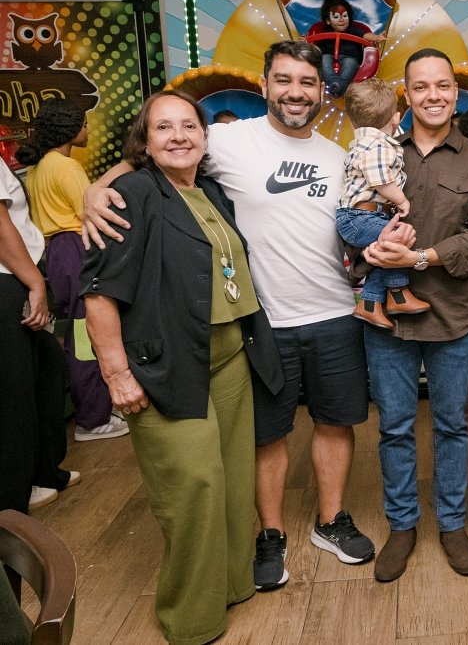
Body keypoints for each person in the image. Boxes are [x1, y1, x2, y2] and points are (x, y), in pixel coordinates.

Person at [82, 40, 376, 593]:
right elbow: (153, 154)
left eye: (307, 82)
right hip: (262, 321)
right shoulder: (225, 140)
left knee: (336, 422)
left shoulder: (339, 156)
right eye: (284, 80)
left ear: (322, 90)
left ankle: (331, 520)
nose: (295, 92)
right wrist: (95, 192)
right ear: (263, 86)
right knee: (267, 434)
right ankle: (270, 534)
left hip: (336, 313)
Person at [80, 91, 283, 644]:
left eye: (188, 125)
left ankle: (233, 585)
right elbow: (98, 292)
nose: (178, 136)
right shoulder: (131, 194)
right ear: (144, 141)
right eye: (163, 127)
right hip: (165, 366)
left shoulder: (210, 190)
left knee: (232, 484)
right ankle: (192, 621)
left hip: (230, 357)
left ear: (204, 135)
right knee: (193, 489)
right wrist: (116, 374)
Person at [360, 48, 468, 582]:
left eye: (442, 85)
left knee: (451, 425)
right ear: (407, 93)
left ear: (455, 92)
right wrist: (365, 248)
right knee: (395, 427)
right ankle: (402, 526)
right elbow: (349, 210)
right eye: (421, 87)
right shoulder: (376, 150)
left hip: (453, 314)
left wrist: (419, 259)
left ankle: (452, 523)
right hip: (386, 319)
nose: (433, 96)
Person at [16, 99, 127, 442]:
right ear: (69, 129)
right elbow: (92, 212)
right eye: (84, 124)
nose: (88, 130)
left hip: (56, 253)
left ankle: (97, 410)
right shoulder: (65, 167)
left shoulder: (38, 166)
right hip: (76, 248)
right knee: (87, 336)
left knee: (82, 333)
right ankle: (92, 420)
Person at [0, 159, 75, 516]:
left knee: (48, 367)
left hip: (14, 275)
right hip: (8, 278)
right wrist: (34, 282)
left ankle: (43, 473)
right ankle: (12, 507)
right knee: (15, 396)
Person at [337, 77, 430, 328]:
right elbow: (379, 178)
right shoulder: (378, 144)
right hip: (360, 217)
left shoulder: (365, 141)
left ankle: (370, 304)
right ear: (396, 117)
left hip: (360, 217)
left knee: (383, 252)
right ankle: (398, 293)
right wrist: (401, 200)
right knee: (398, 238)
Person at [312, 0, 386, 98]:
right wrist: (305, 42)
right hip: (329, 55)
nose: (341, 20)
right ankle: (334, 82)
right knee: (324, 61)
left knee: (350, 64)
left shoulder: (353, 29)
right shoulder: (324, 32)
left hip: (350, 57)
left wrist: (376, 37)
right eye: (336, 17)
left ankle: (338, 86)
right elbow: (316, 48)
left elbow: (366, 35)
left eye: (345, 16)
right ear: (328, 20)